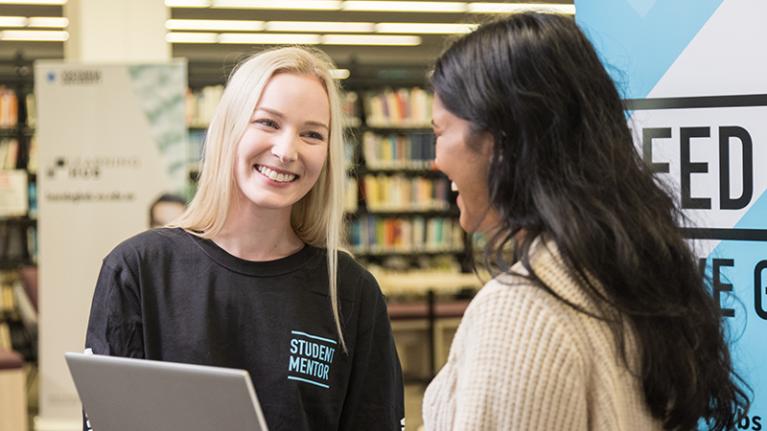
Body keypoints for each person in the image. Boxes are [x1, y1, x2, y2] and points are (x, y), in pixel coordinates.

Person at [422, 13, 750, 431]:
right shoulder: (633, 277)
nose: (436, 160)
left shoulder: (523, 312)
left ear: (499, 141)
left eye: (440, 131)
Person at [84, 46, 403, 431]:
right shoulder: (138, 270)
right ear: (230, 128)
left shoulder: (351, 292)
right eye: (268, 123)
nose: (286, 151)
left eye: (312, 134)